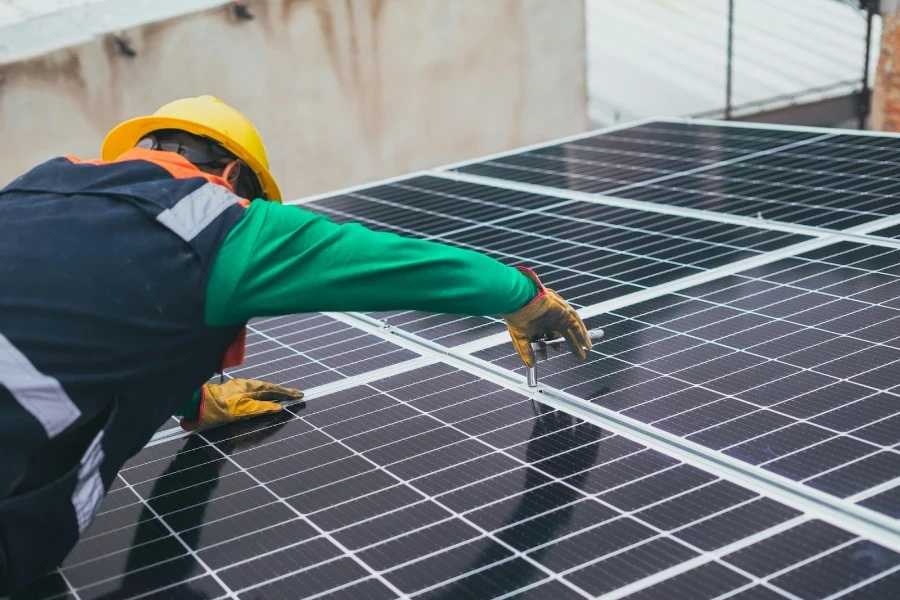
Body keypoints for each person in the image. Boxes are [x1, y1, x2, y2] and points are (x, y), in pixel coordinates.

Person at [0, 95, 591, 595]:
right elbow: (395, 263)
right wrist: (524, 297)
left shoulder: (30, 190)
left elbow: (84, 311)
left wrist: (193, 401)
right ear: (235, 177)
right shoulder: (218, 221)